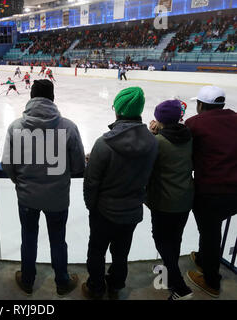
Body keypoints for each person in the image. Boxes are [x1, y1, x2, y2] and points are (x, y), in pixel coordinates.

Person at [2, 79, 86, 297]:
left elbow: (8, 165)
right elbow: (78, 166)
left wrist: (21, 183)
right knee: (58, 240)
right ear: (53, 98)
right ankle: (62, 281)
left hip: (27, 198)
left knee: (28, 238)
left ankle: (28, 280)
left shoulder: (15, 127)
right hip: (57, 199)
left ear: (31, 97)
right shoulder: (69, 127)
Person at [83, 87, 158, 300]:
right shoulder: (153, 142)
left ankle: (96, 287)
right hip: (132, 211)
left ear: (119, 110)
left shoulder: (104, 143)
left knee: (97, 251)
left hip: (104, 212)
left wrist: (92, 207)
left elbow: (91, 183)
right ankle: (115, 285)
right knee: (121, 252)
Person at [184, 86, 237, 298]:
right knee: (211, 231)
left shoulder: (195, 123)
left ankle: (211, 280)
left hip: (211, 191)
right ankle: (204, 258)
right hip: (235, 191)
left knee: (210, 233)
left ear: (200, 105)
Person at [147, 100, 194, 300]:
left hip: (163, 201)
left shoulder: (157, 142)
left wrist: (152, 134)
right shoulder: (190, 137)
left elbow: (147, 158)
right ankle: (167, 271)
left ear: (159, 120)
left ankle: (180, 287)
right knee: (174, 239)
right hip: (185, 198)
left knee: (161, 239)